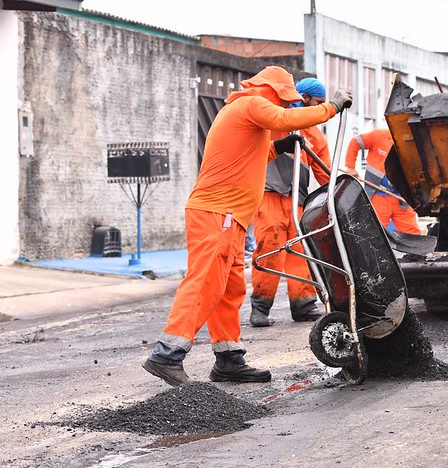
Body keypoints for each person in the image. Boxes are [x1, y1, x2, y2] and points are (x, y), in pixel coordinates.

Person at [143, 66, 352, 386]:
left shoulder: (244, 114)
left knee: (229, 289)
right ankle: (167, 354)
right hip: (217, 212)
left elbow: (249, 155)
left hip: (230, 216)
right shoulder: (251, 104)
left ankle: (229, 358)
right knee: (206, 282)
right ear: (275, 92)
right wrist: (331, 107)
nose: (286, 106)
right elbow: (286, 120)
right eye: (286, 100)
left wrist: (277, 149)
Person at [249, 78, 332, 327]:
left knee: (300, 251)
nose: (319, 109)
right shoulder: (276, 119)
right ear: (303, 98)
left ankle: (303, 304)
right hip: (269, 194)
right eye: (317, 103)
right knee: (269, 248)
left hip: (298, 198)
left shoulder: (313, 133)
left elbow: (325, 170)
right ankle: (260, 307)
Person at [344, 127, 421, 234]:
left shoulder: (413, 144)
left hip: (401, 198)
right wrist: (350, 167)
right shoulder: (379, 135)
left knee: (413, 233)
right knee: (375, 233)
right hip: (378, 195)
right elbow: (355, 142)